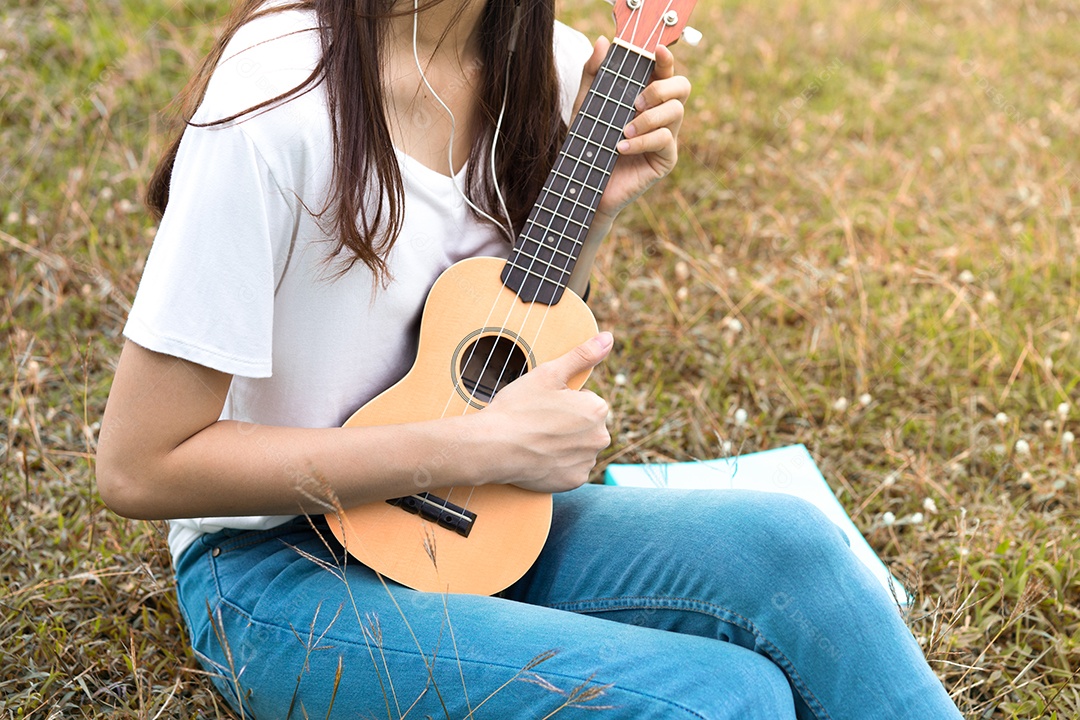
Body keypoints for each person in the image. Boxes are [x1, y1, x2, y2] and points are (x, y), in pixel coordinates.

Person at [97, 0, 965, 717]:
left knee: (792, 549)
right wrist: (469, 451)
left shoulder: (545, 59)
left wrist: (593, 203)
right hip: (283, 566)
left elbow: (498, 327)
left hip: (477, 517)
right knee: (719, 699)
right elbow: (140, 468)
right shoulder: (272, 102)